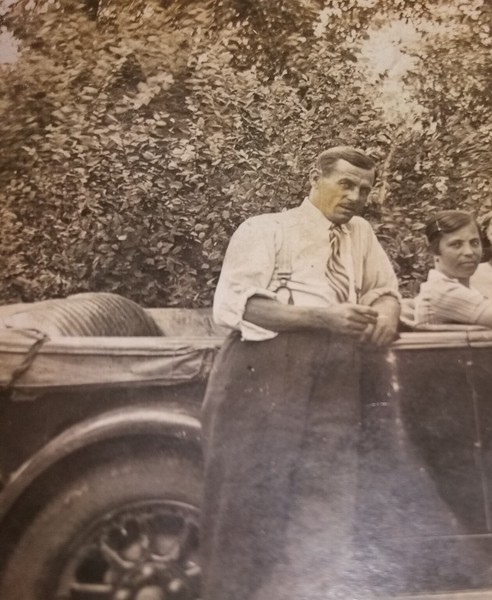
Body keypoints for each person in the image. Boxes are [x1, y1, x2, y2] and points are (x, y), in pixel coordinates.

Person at [201, 146, 400, 600]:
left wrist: (386, 313)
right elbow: (239, 306)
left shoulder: (361, 234)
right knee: (247, 505)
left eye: (364, 189)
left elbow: (383, 289)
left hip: (337, 379)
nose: (354, 196)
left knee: (326, 504)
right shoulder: (267, 229)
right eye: (345, 184)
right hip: (264, 374)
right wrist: (323, 318)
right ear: (316, 178)